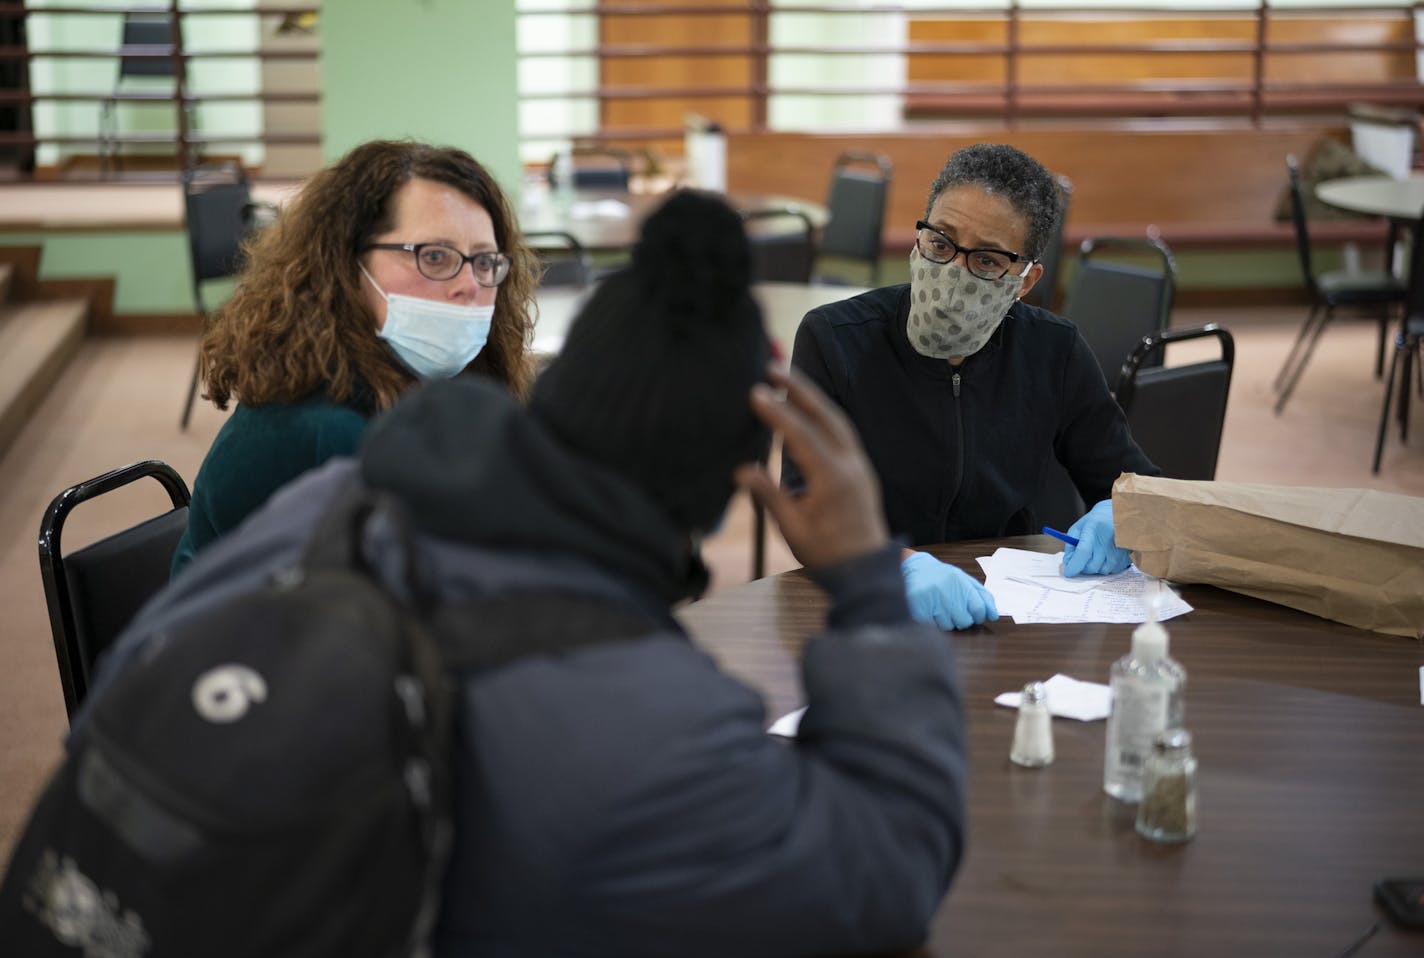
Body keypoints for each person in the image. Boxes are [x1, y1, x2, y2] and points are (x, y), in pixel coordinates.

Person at [109, 192, 967, 955]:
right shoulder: (643, 716)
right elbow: (888, 880)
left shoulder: (341, 497)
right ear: (723, 486)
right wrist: (865, 584)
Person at [786, 143, 1158, 631]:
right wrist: (898, 566)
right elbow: (805, 506)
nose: (953, 272)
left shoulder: (1053, 351)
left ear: (1024, 281)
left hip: (1005, 613)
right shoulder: (835, 341)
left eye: (985, 260)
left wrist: (1122, 513)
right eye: (940, 243)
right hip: (868, 608)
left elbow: (1139, 484)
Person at [170, 139, 537, 575]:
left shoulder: (427, 384)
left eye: (485, 262)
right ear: (345, 266)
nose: (470, 284)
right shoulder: (320, 428)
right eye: (434, 257)